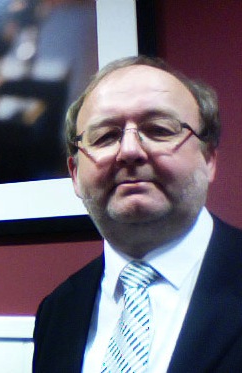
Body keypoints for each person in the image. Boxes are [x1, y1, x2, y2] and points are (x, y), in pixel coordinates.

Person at [33, 55, 242, 372]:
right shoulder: (57, 310)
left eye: (159, 129)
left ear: (209, 158)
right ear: (74, 173)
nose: (129, 150)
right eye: (105, 136)